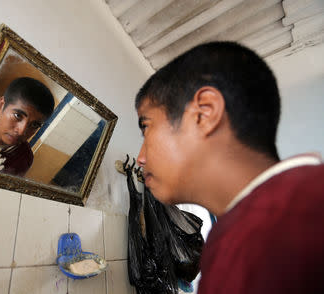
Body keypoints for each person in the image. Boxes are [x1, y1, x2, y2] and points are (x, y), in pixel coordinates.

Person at [135, 41, 324, 293]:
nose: (140, 157)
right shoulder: (230, 237)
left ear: (204, 113)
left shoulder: (307, 212)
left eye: (146, 127)